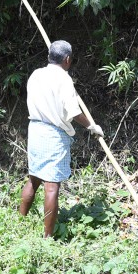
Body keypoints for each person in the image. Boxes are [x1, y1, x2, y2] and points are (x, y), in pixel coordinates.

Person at [21, 40, 104, 237]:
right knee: (52, 187)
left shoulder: (36, 74)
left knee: (34, 178)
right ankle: (47, 238)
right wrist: (91, 126)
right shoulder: (64, 80)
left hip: (35, 130)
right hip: (53, 134)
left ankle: (20, 220)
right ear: (67, 59)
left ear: (49, 56)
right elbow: (73, 112)